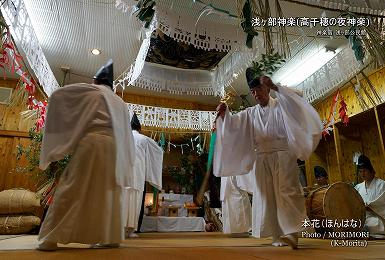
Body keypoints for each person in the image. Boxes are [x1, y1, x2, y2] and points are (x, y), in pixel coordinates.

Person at [214, 70, 322, 249]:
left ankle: (292, 232)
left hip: (283, 154)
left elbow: (297, 100)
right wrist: (225, 114)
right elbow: (233, 125)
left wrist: (275, 86)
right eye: (253, 91)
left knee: (287, 191)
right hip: (262, 158)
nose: (256, 94)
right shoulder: (250, 113)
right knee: (267, 196)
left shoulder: (281, 104)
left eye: (259, 89)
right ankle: (276, 235)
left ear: (267, 88)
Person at [38, 60, 136, 250]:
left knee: (72, 187)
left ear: (96, 80)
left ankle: (50, 238)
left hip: (92, 143)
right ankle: (109, 237)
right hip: (115, 149)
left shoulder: (93, 91)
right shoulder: (121, 103)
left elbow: (59, 94)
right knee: (108, 193)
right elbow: (126, 134)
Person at [123, 113, 163, 237]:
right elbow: (158, 151)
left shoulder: (123, 137)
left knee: (124, 198)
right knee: (137, 199)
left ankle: (119, 228)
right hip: (138, 173)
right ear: (139, 128)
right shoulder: (144, 139)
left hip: (124, 172)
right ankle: (131, 230)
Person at [355, 155, 385, 237]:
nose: (362, 174)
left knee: (371, 224)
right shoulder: (358, 187)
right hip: (362, 219)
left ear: (371, 171)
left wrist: (370, 206)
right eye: (360, 171)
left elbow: (382, 205)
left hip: (378, 219)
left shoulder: (381, 184)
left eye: (364, 171)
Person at [221, 172, 253, 238]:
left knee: (237, 207)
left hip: (233, 185)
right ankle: (238, 230)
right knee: (237, 208)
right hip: (231, 187)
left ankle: (239, 230)